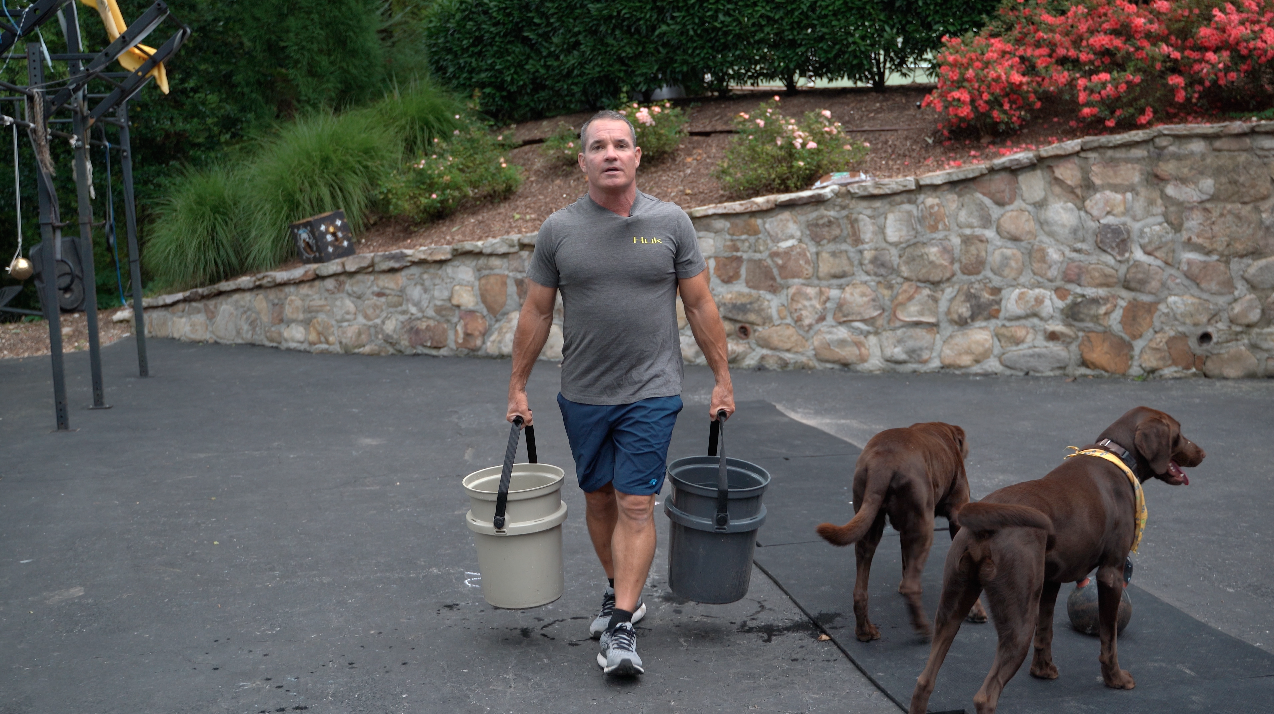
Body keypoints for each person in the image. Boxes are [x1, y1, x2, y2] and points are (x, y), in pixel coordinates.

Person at [505, 109, 735, 676]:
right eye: (599, 146)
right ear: (581, 160)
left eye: (621, 144)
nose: (610, 153)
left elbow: (700, 305)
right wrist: (517, 386)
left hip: (652, 391)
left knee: (636, 501)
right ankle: (616, 589)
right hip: (583, 391)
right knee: (600, 498)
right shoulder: (560, 230)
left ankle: (623, 626)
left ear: (637, 157)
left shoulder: (671, 222)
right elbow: (536, 311)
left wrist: (723, 378)